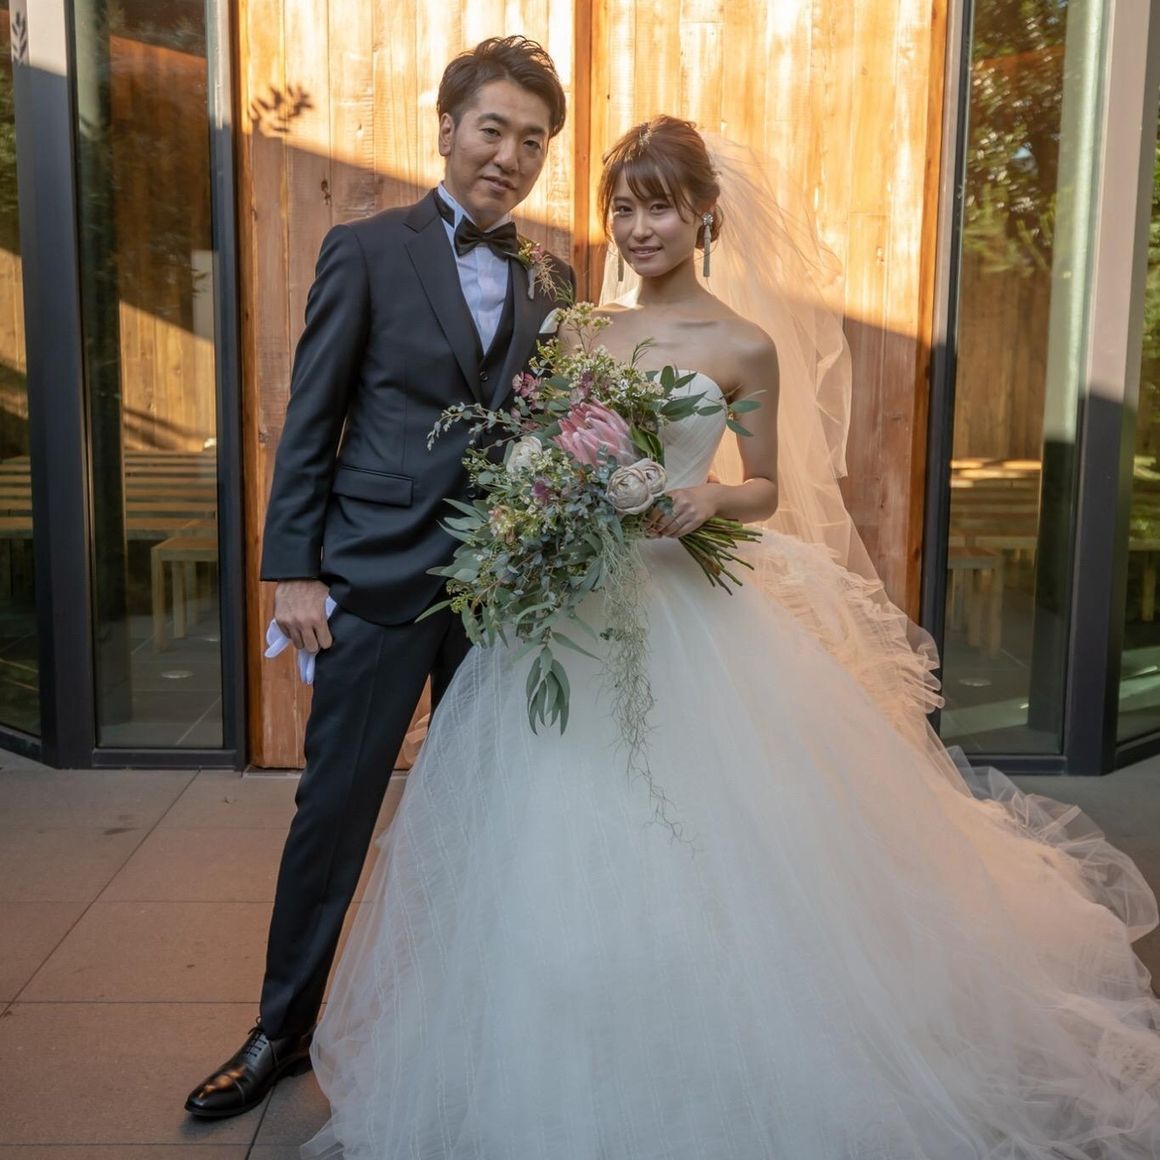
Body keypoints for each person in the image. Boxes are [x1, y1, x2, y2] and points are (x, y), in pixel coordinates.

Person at [302, 117, 1160, 1158]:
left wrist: (708, 498)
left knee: (704, 835)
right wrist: (545, 493)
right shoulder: (577, 327)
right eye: (623, 207)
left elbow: (765, 486)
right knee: (547, 836)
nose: (639, 228)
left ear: (705, 214)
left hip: (685, 612)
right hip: (573, 610)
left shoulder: (744, 344)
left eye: (661, 207)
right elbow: (534, 437)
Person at [184, 36, 573, 1120]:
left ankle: (463, 1027)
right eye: (492, 129)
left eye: (532, 141)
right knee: (335, 811)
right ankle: (280, 1031)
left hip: (500, 593)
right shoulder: (363, 251)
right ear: (446, 128)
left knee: (487, 817)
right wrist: (295, 571)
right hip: (374, 577)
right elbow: (310, 420)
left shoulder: (555, 278)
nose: (509, 155)